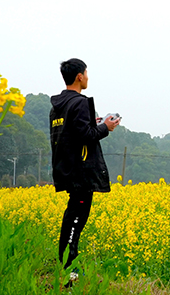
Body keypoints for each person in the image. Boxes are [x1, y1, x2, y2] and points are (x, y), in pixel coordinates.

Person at [50, 58, 121, 286]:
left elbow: (70, 134)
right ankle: (69, 279)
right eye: (86, 73)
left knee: (71, 220)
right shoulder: (79, 103)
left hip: (66, 169)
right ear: (79, 76)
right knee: (75, 224)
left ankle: (64, 272)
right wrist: (105, 128)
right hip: (81, 173)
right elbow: (86, 136)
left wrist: (95, 123)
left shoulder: (58, 106)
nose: (88, 77)